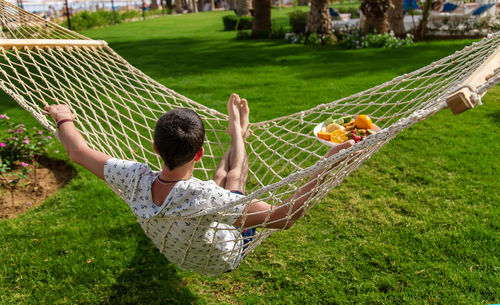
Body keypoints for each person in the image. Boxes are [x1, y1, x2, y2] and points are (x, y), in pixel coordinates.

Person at [44, 94, 354, 275]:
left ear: (155, 148)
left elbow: (77, 151)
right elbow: (285, 216)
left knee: (221, 184)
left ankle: (239, 136)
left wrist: (63, 118)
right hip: (224, 256)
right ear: (199, 153)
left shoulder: (133, 177)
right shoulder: (204, 198)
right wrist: (328, 161)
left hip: (180, 249)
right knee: (232, 180)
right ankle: (238, 135)